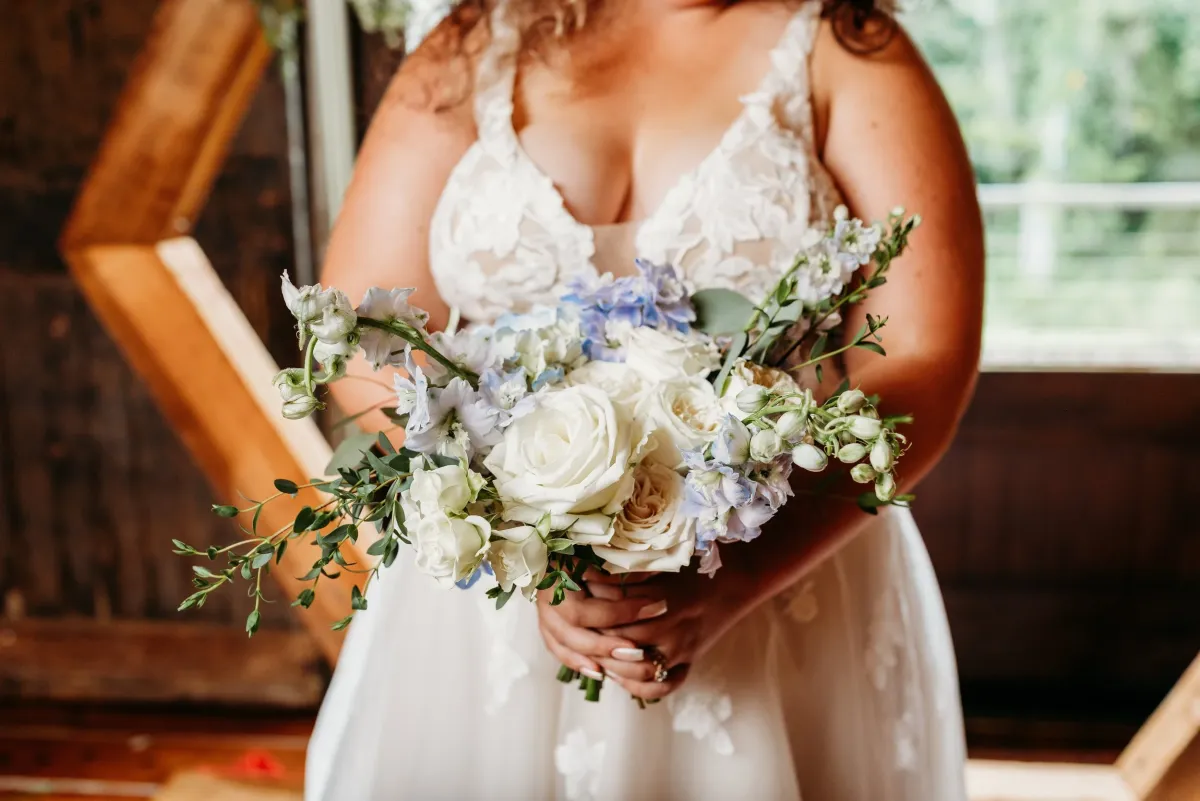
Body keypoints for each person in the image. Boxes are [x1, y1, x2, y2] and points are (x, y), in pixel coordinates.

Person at [305, 0, 984, 798]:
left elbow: (923, 357)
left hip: (780, 571)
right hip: (491, 606)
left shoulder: (842, 46)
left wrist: (740, 574)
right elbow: (360, 333)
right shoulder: (475, 41)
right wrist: (523, 542)